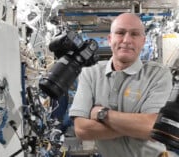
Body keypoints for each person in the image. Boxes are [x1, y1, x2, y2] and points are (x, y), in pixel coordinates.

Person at [69, 12, 173, 157]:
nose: (126, 40)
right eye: (120, 32)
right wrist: (137, 126)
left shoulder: (158, 75)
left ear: (143, 41)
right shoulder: (90, 74)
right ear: (110, 39)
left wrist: (102, 114)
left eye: (134, 34)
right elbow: (81, 129)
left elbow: (153, 129)